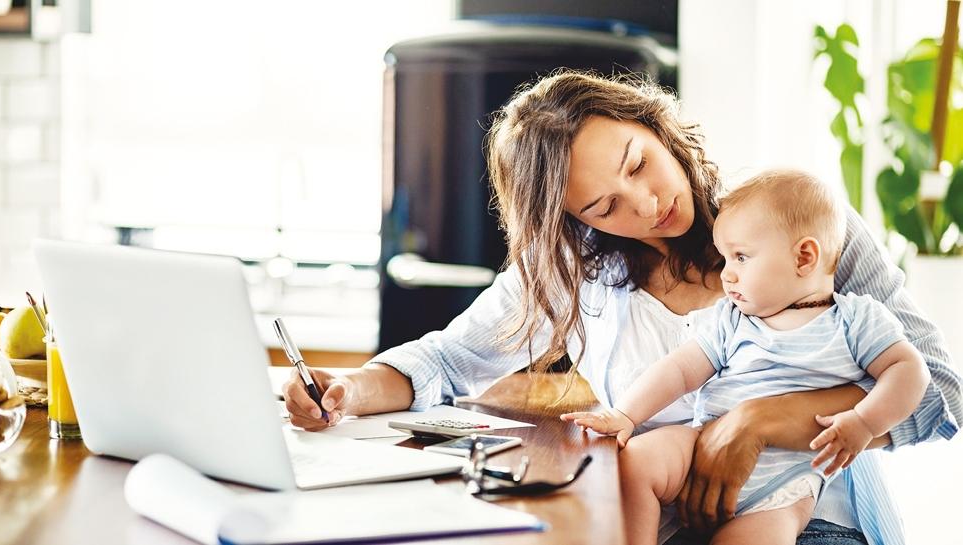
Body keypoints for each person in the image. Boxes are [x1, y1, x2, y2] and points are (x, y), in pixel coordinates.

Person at [283, 71, 962, 545]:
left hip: (808, 516)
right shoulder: (576, 269)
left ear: (654, 125)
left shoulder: (798, 227)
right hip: (657, 519)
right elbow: (446, 358)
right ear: (579, 222)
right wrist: (347, 389)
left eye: (638, 164)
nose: (645, 205)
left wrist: (755, 420)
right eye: (603, 206)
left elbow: (944, 394)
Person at [559, 169, 930, 545]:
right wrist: (626, 414)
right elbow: (681, 369)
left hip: (782, 487)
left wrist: (866, 422)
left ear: (804, 257)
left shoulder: (855, 320)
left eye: (740, 258)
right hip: (704, 444)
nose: (727, 276)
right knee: (636, 460)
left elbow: (910, 369)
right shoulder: (734, 319)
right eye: (725, 258)